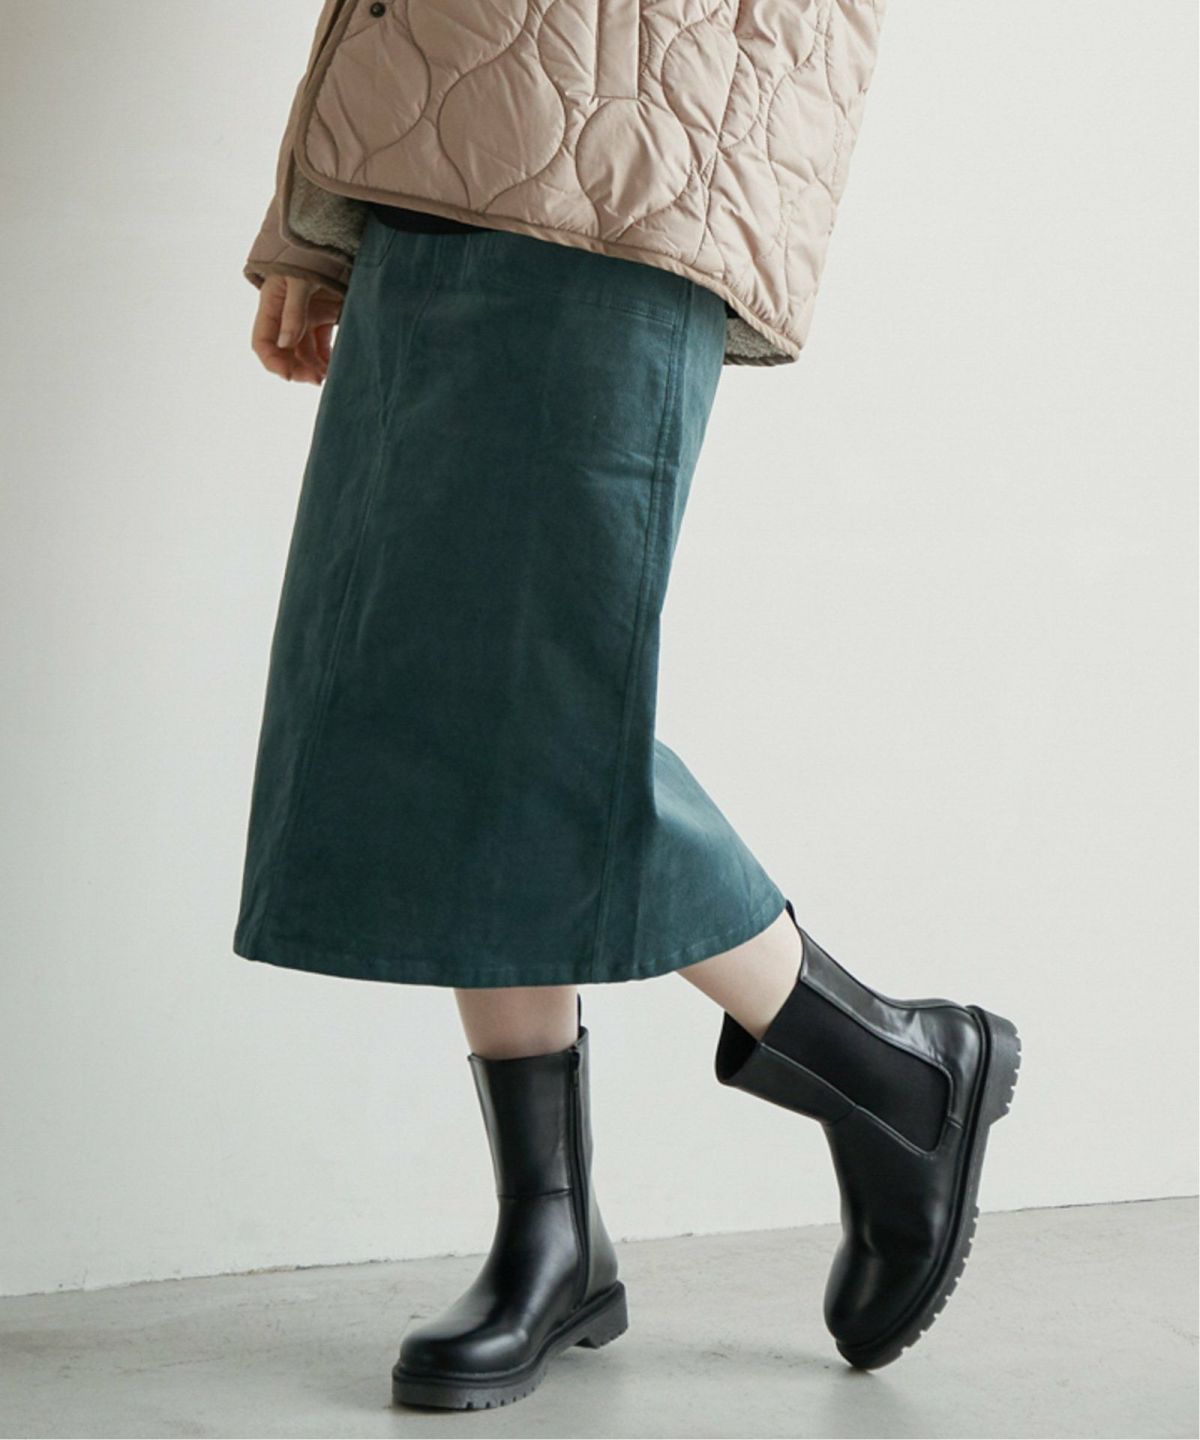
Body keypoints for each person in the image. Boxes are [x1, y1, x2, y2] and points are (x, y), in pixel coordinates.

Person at [233, 0, 1020, 1412]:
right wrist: (310, 214)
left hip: (629, 145)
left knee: (538, 718)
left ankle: (898, 1077)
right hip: (432, 143)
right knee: (419, 688)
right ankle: (555, 1234)